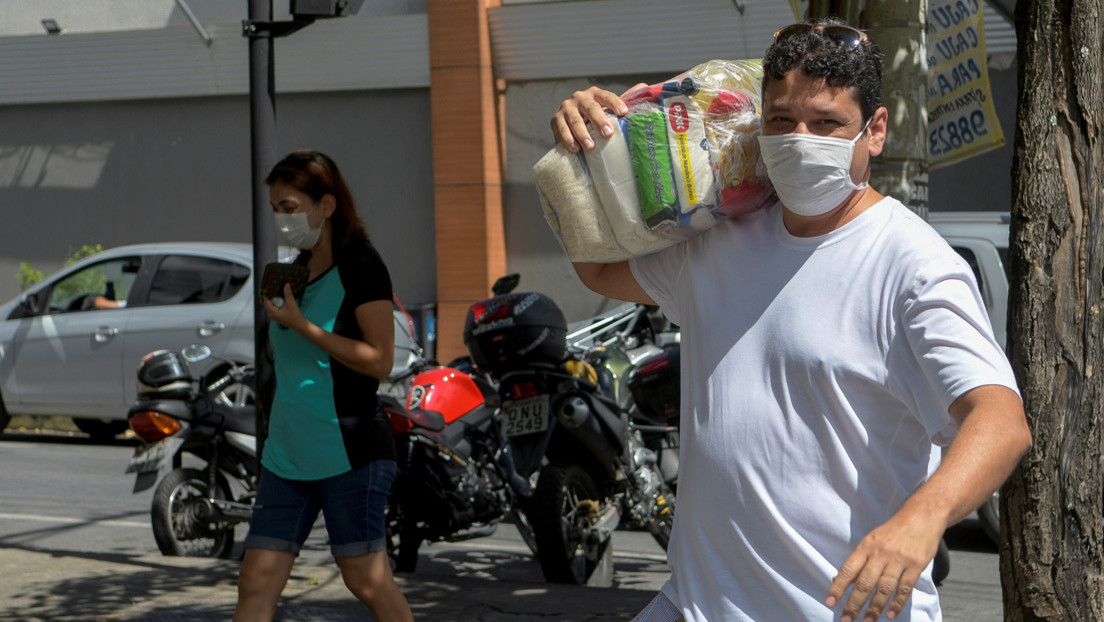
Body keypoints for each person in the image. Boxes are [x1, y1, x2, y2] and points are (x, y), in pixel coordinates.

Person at [551, 18, 1032, 622]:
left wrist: (921, 520)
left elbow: (1000, 421)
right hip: (696, 604)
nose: (801, 139)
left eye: (827, 123)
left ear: (875, 131)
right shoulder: (722, 240)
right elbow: (598, 271)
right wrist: (584, 155)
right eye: (781, 121)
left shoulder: (911, 265)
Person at [233, 150, 413, 622]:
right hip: (287, 452)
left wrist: (303, 326)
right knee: (254, 582)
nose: (281, 220)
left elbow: (381, 361)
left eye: (290, 209)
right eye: (275, 210)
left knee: (365, 579)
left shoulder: (362, 265)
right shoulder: (293, 270)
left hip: (348, 450)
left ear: (326, 206)